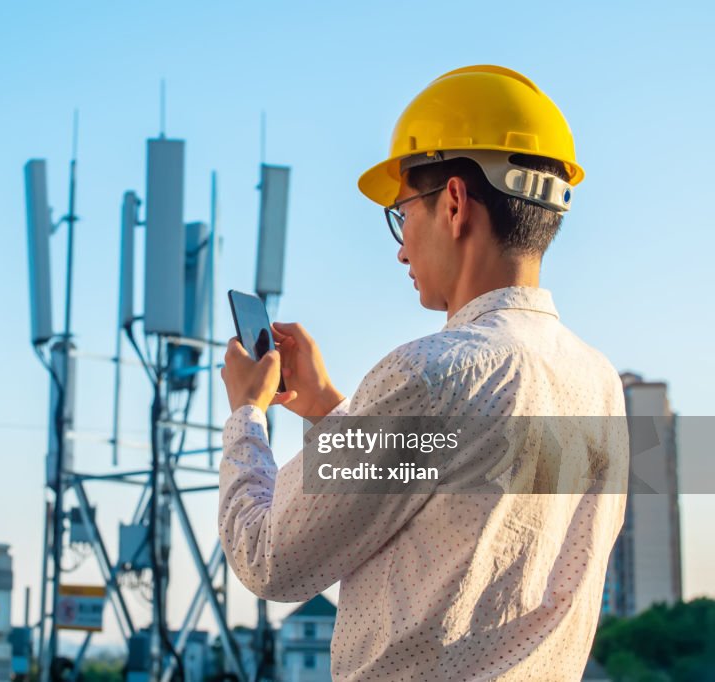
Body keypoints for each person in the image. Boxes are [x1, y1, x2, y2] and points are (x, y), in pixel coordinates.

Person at [218, 65, 628, 680]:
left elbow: (269, 558)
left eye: (402, 213)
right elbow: (446, 486)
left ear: (455, 203)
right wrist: (333, 413)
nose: (401, 248)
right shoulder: (599, 384)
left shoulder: (434, 374)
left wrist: (246, 417)